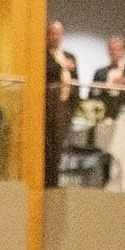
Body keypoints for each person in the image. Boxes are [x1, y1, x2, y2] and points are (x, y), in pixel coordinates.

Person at [46, 21, 78, 187]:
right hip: (50, 105)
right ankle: (48, 180)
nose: (55, 37)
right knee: (49, 145)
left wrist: (74, 107)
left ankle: (55, 179)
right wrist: (62, 67)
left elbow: (76, 82)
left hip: (65, 105)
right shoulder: (44, 54)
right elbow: (48, 71)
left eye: (58, 34)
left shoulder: (70, 56)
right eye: (52, 33)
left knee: (60, 144)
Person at [90, 35, 125, 117]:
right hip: (103, 113)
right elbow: (92, 95)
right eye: (111, 49)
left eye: (118, 49)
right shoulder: (99, 72)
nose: (114, 52)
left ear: (124, 51)